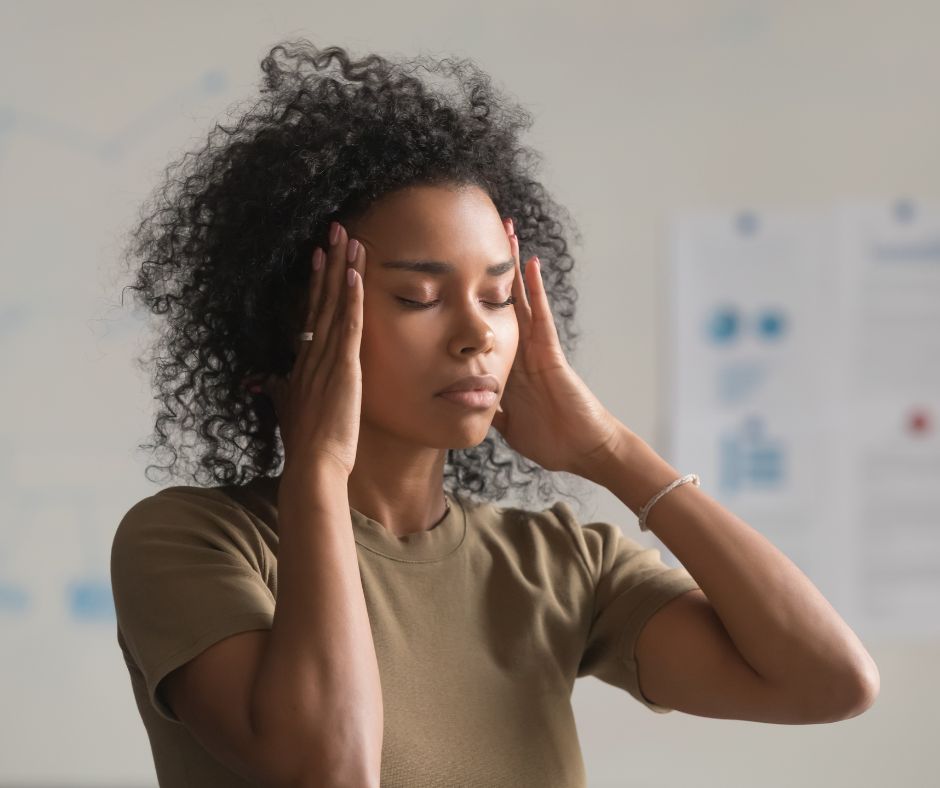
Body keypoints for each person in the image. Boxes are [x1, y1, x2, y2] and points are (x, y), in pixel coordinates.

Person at [110, 39, 879, 788]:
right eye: (420, 296)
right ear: (289, 323)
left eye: (498, 295)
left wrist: (611, 452)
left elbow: (830, 683)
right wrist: (319, 468)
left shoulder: (555, 563)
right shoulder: (190, 542)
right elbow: (330, 768)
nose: (477, 334)